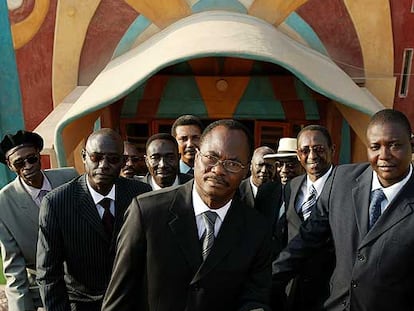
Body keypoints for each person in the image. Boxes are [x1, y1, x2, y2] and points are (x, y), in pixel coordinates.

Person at [102, 120, 272, 311]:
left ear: (246, 168)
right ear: (197, 155)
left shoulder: (256, 229)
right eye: (211, 157)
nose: (218, 170)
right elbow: (119, 298)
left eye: (232, 163)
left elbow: (255, 298)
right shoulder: (147, 212)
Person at [273, 109, 414, 311]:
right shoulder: (341, 181)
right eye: (375, 147)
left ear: (411, 144)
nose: (384, 155)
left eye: (394, 145)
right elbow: (305, 242)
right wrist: (264, 282)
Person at [36, 128, 152, 311]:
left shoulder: (141, 195)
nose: (104, 165)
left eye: (113, 159)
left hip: (132, 302)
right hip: (82, 304)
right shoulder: (57, 203)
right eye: (96, 157)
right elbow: (48, 273)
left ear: (122, 162)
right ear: (84, 156)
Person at [0, 130, 78, 311]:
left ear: (39, 156)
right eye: (19, 163)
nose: (27, 166)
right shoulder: (4, 204)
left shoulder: (70, 179)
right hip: (43, 291)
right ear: (10, 165)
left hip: (84, 282)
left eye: (32, 159)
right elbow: (14, 271)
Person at [278, 125, 336, 311]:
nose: (312, 156)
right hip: (292, 286)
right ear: (298, 154)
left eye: (318, 149)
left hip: (329, 289)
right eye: (305, 150)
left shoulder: (345, 186)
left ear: (332, 150)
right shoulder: (292, 186)